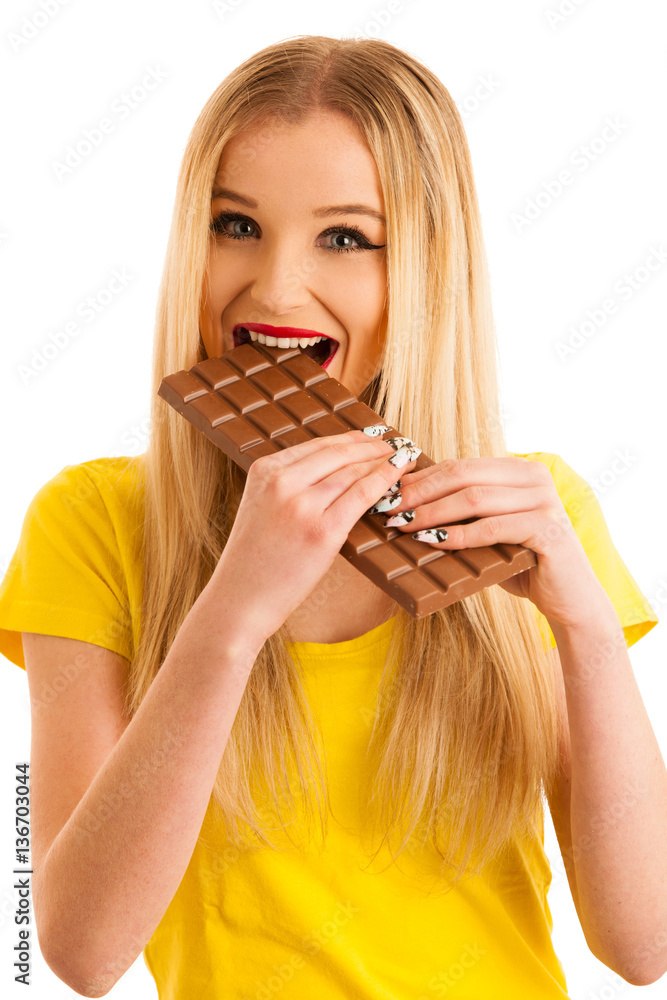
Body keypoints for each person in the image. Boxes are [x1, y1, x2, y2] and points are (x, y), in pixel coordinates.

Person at [0, 34, 663, 1000]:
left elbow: (641, 944)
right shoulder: (94, 522)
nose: (272, 288)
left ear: (428, 270)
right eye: (235, 225)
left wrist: (586, 631)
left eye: (346, 238)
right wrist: (232, 613)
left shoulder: (532, 513)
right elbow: (77, 949)